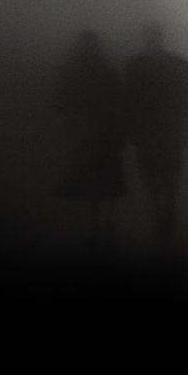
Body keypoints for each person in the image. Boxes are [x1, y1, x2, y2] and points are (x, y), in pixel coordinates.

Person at [126, 24, 188, 251]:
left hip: (149, 134)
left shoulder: (136, 67)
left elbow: (130, 102)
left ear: (147, 39)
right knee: (170, 178)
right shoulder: (180, 65)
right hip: (170, 133)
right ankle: (167, 216)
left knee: (152, 179)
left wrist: (131, 131)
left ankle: (161, 215)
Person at [56, 30, 126, 250]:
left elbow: (64, 100)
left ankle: (102, 223)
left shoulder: (78, 70)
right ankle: (103, 222)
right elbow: (118, 98)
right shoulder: (103, 69)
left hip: (96, 131)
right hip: (98, 131)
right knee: (104, 177)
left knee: (101, 178)